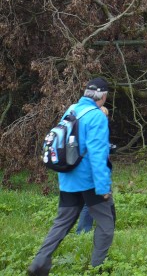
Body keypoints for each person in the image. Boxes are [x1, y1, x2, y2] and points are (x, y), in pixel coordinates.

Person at [28, 77, 116, 276]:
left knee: (62, 223)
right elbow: (97, 155)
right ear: (103, 96)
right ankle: (98, 268)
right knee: (106, 224)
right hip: (89, 181)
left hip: (67, 178)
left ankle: (40, 262)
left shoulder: (72, 110)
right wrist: (103, 188)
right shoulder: (97, 117)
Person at [76, 105, 113, 235]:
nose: (106, 119)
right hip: (94, 171)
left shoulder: (96, 129)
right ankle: (83, 230)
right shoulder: (95, 128)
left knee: (106, 198)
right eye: (105, 116)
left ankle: (108, 225)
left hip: (99, 171)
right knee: (89, 203)